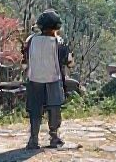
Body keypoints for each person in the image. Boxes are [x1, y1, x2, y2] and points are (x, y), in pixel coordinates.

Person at [22, 9, 73, 150]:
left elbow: (25, 58)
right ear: (56, 27)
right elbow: (69, 62)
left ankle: (33, 139)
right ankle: (54, 137)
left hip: (34, 78)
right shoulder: (59, 42)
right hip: (53, 78)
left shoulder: (31, 40)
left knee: (35, 109)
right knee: (54, 107)